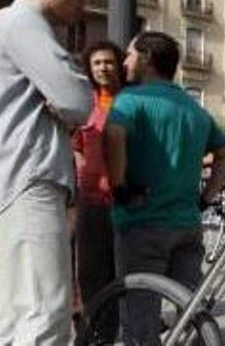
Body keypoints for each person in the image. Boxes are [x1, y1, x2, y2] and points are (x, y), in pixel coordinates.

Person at [105, 31, 225, 343]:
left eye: (130, 55)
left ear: (147, 58)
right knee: (191, 307)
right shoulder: (194, 109)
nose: (125, 62)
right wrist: (207, 197)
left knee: (140, 314)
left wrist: (121, 188)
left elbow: (112, 135)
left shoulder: (131, 99)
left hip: (142, 223)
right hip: (187, 224)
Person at [0, 0, 94, 344]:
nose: (83, 7)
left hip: (17, 177)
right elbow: (77, 100)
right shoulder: (25, 22)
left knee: (17, 313)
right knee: (46, 314)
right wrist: (75, 88)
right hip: (31, 178)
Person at [71, 40, 125, 337]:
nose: (103, 67)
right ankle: (99, 334)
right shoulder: (85, 102)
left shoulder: (130, 100)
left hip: (124, 198)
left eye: (108, 62)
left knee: (122, 268)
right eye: (97, 63)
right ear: (90, 69)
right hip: (91, 199)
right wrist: (83, 176)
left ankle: (123, 328)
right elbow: (77, 144)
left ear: (119, 65)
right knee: (91, 271)